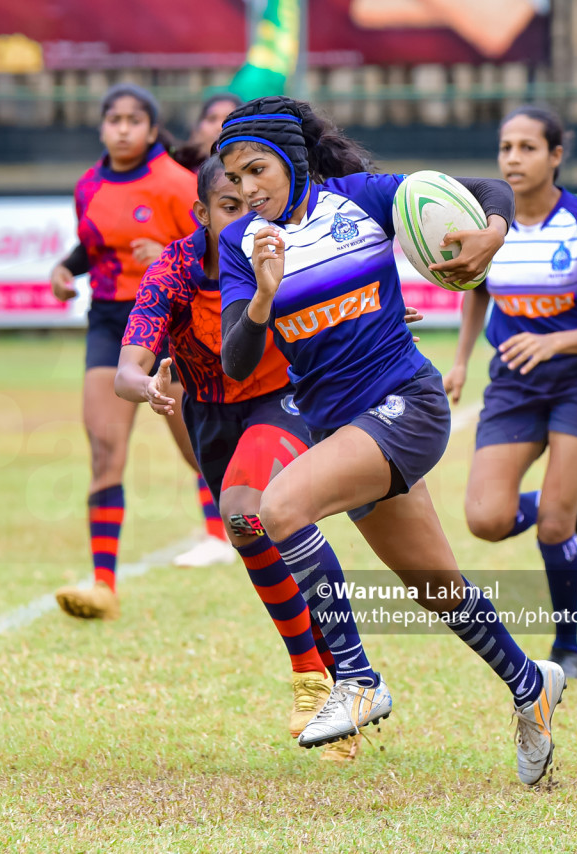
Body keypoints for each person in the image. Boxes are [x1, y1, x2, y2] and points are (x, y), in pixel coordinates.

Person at [218, 95, 566, 786]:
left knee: (277, 509)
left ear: (291, 159)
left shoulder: (361, 199)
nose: (248, 188)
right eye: (235, 179)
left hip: (407, 402)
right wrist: (262, 295)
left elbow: (485, 190)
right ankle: (532, 685)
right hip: (340, 427)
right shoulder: (240, 244)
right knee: (438, 590)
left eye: (258, 169)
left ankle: (357, 678)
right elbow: (235, 358)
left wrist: (493, 231)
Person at [115, 156, 423, 762]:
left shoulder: (282, 249)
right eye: (230, 209)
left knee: (245, 509)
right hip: (209, 414)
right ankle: (333, 677)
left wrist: (378, 320)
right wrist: (142, 382)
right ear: (201, 214)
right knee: (246, 529)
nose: (248, 221)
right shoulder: (175, 268)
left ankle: (323, 677)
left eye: (253, 204)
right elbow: (129, 363)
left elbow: (343, 302)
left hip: (283, 400)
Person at [443, 105, 577, 680]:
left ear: (556, 156)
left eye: (528, 147)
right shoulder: (489, 223)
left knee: (553, 523)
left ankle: (567, 646)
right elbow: (475, 287)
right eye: (506, 147)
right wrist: (459, 360)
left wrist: (555, 344)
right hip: (515, 385)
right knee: (486, 518)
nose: (513, 159)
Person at [51, 83, 232, 623]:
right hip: (110, 321)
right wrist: (66, 270)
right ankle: (103, 583)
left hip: (173, 317)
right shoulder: (87, 185)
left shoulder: (178, 183)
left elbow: (214, 245)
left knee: (193, 443)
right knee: (105, 451)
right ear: (102, 127)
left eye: (134, 120)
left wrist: (166, 258)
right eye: (114, 119)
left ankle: (230, 532)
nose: (123, 128)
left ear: (153, 131)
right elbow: (92, 246)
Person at [174, 92, 243, 171]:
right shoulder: (181, 171)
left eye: (229, 120)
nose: (219, 127)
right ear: (198, 129)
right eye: (212, 119)